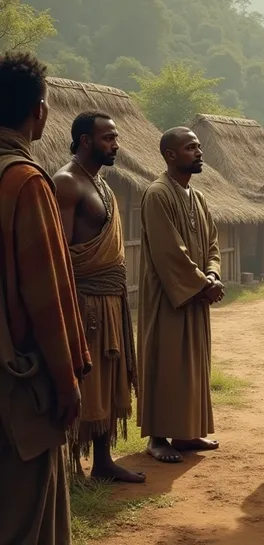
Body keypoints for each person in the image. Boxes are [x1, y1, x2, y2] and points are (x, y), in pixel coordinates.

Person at [0, 53, 90, 544]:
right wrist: (67, 378)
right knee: (27, 512)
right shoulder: (25, 182)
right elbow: (47, 294)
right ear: (39, 111)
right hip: (18, 382)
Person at [54, 111, 145, 483]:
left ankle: (103, 461)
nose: (116, 144)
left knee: (109, 377)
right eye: (108, 138)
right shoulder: (67, 182)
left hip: (111, 298)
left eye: (116, 137)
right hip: (85, 299)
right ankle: (71, 464)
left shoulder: (101, 184)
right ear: (86, 141)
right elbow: (59, 250)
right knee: (85, 378)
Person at [138, 126, 224, 464]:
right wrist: (203, 283)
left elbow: (213, 243)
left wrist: (213, 274)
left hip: (196, 295)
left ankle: (186, 433)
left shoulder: (198, 197)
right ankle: (157, 438)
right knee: (166, 361)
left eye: (199, 147)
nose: (199, 152)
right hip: (168, 298)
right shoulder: (157, 194)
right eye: (191, 148)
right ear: (171, 155)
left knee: (192, 364)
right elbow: (168, 251)